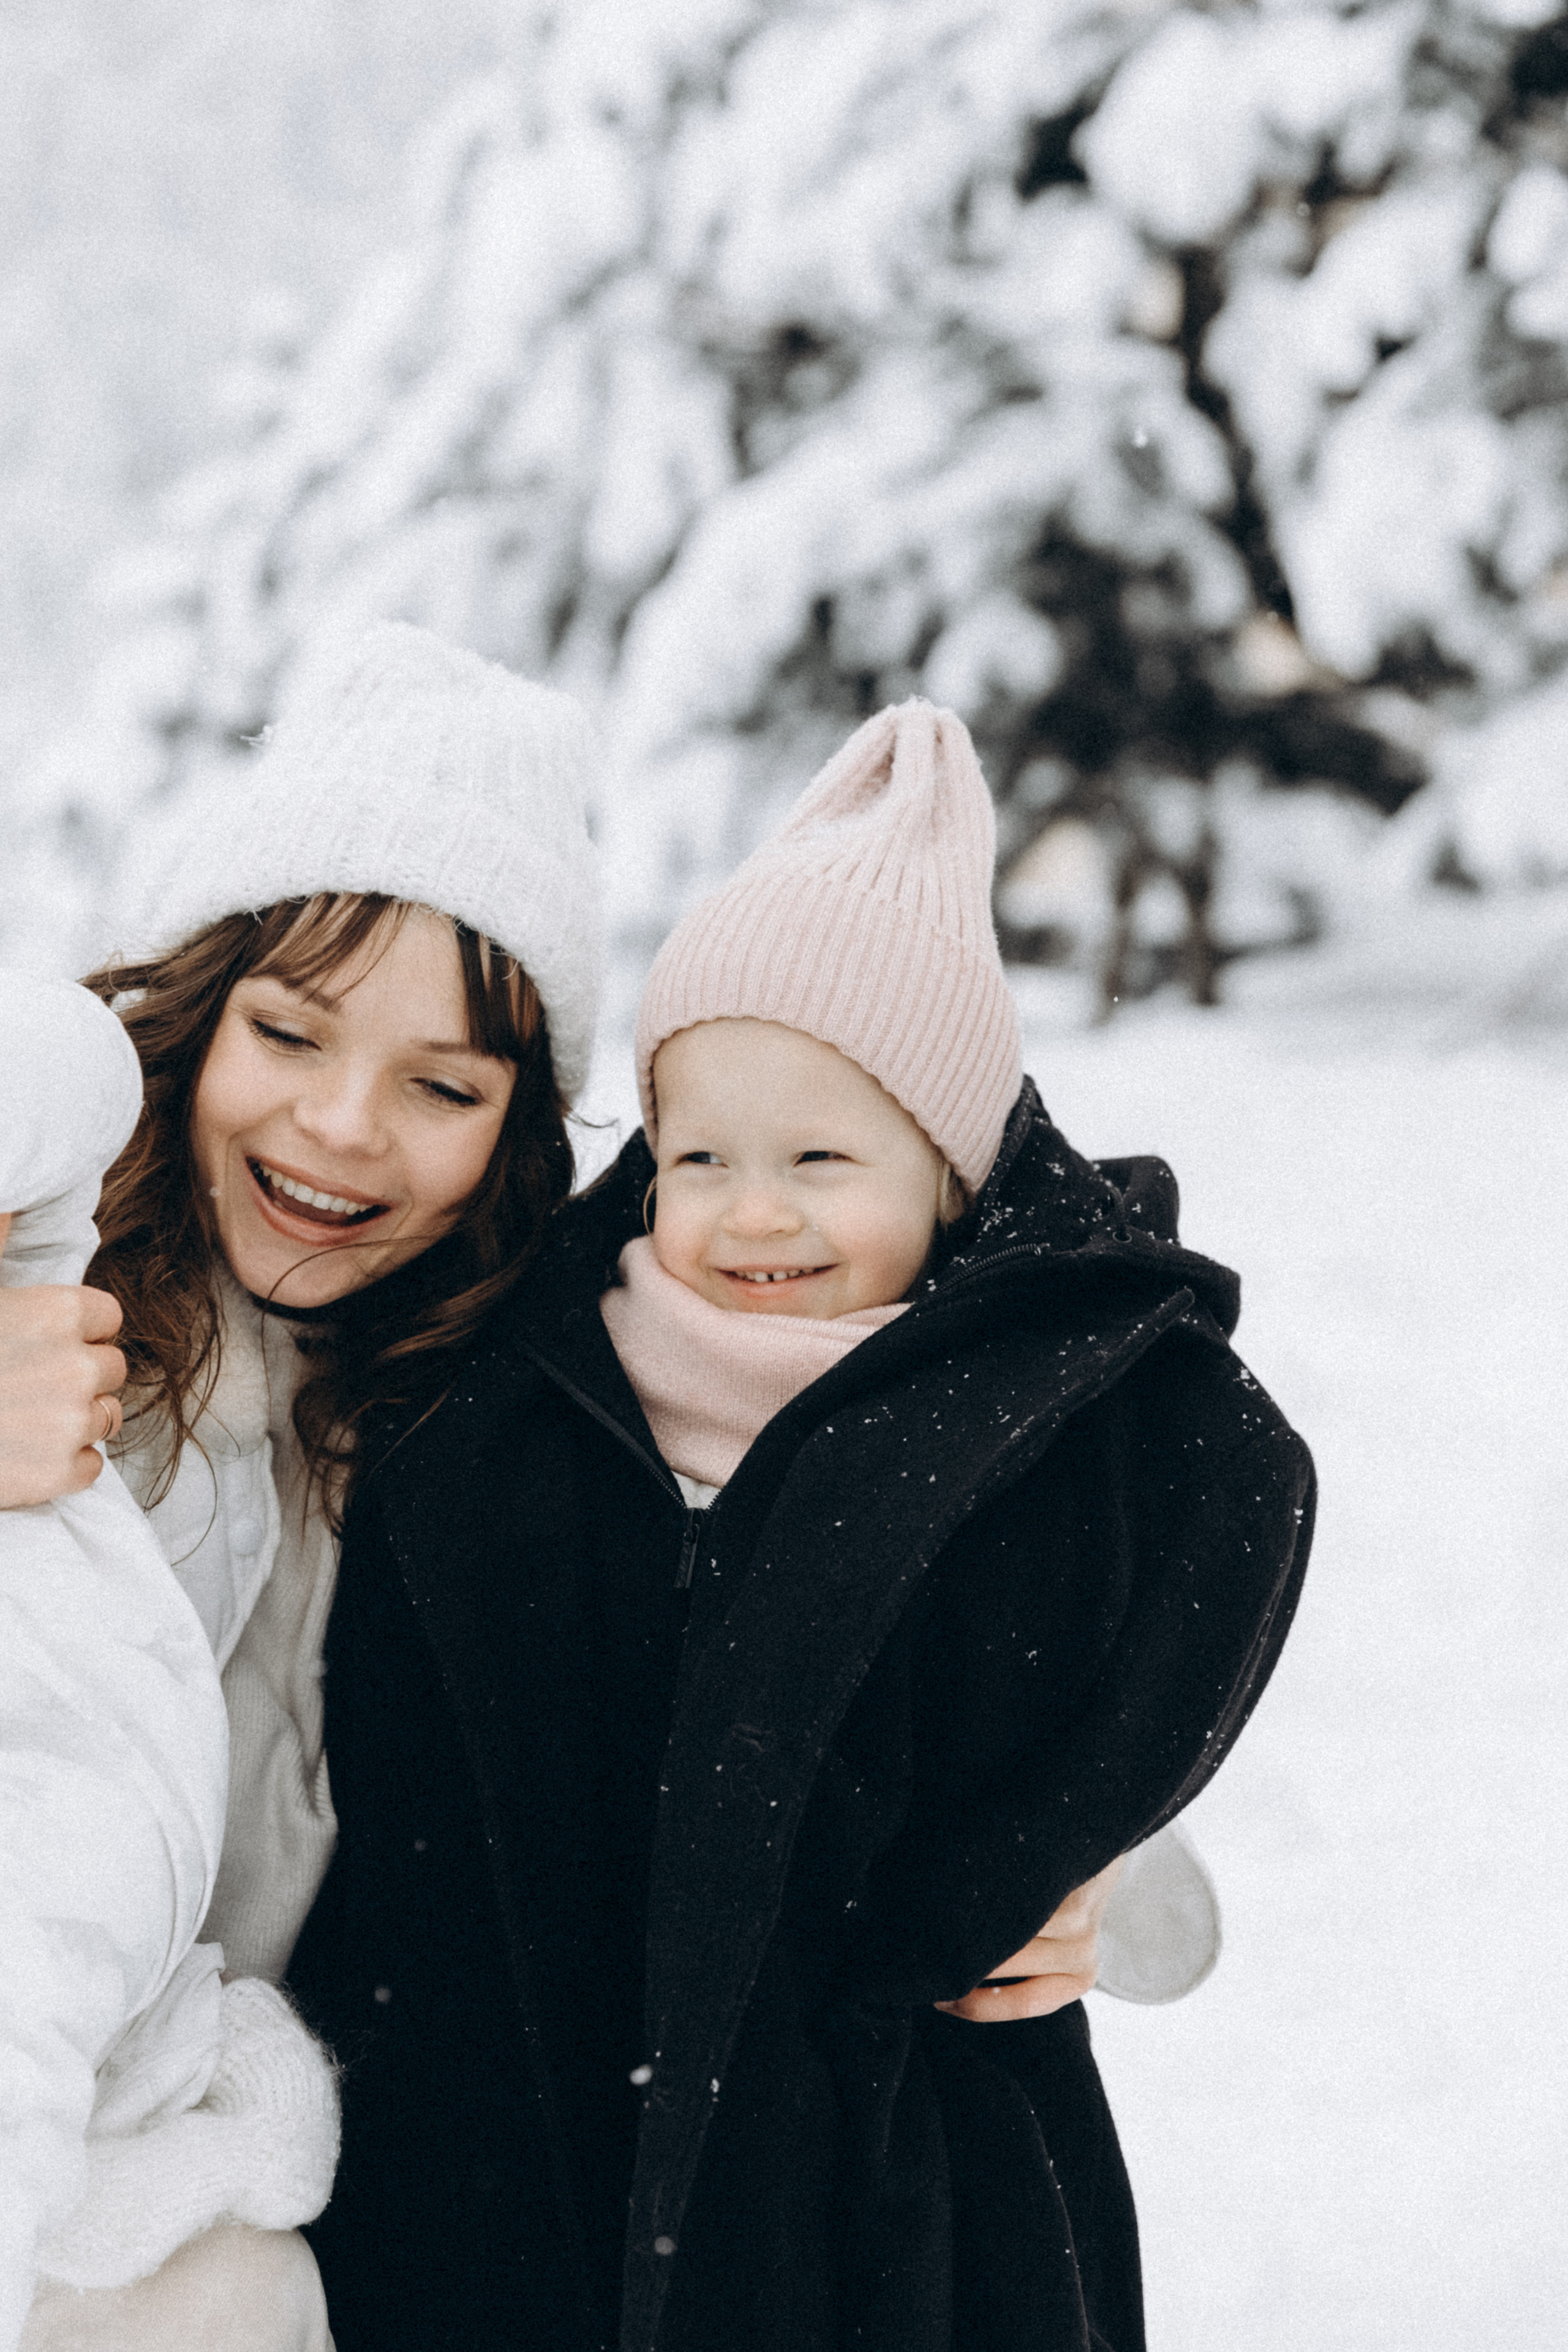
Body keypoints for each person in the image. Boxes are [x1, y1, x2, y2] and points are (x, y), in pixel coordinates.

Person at [285, 699, 1314, 2351]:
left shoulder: (1026, 1446)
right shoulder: (518, 1406)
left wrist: (1080, 1854)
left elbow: (1102, 1702)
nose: (754, 1211)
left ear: (951, 1183)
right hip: (515, 2170)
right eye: (700, 1154)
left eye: (823, 1157)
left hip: (900, 2213)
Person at [0, 619, 603, 2346]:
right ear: (196, 1017)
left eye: (442, 1083)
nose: (345, 1127)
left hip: (179, 2171)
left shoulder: (481, 1413)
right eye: (292, 1033)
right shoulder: (36, 1259)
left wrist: (1005, 1841)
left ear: (516, 1133)